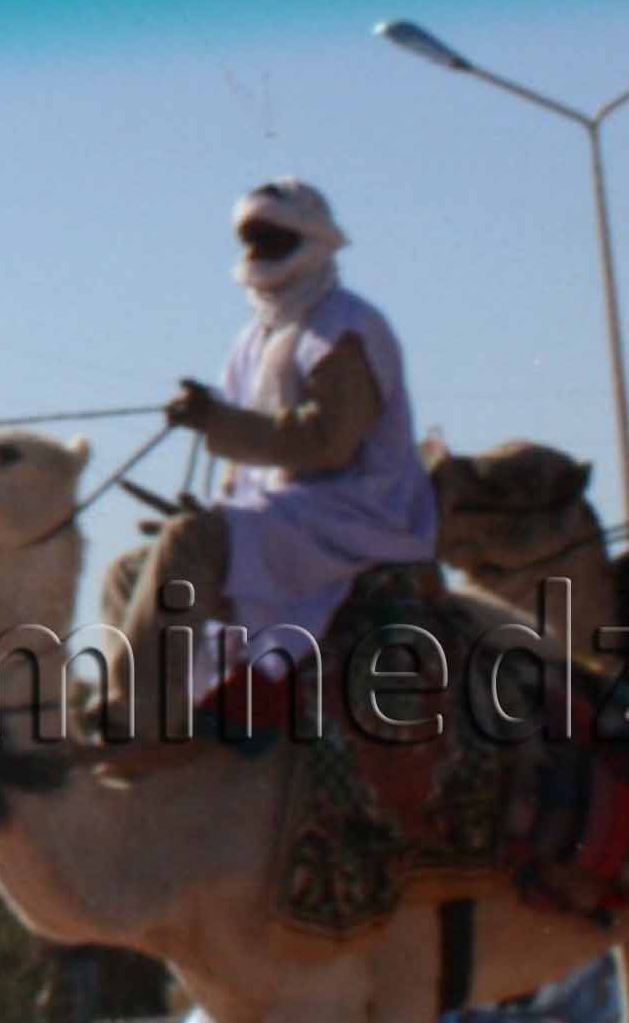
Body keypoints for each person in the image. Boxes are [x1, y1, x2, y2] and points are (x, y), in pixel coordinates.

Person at [101, 179, 438, 750]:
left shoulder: (344, 328)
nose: (258, 249)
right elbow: (250, 458)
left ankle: (140, 721)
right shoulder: (254, 338)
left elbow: (327, 443)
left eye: (272, 236)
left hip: (354, 512)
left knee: (190, 545)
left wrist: (214, 423)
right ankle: (152, 705)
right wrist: (220, 505)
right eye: (251, 238)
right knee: (129, 571)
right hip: (285, 514)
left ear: (312, 241)